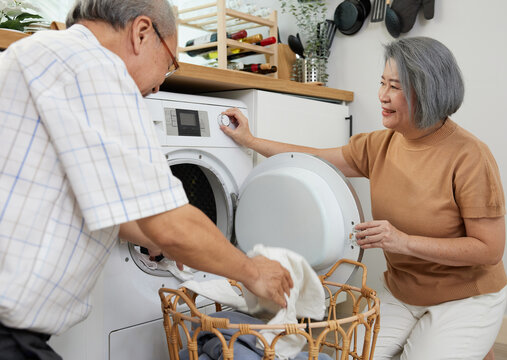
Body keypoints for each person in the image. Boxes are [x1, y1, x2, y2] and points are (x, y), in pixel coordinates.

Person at [0, 0, 293, 358]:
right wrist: (252, 271)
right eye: (170, 64)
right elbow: (170, 223)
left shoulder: (43, 56)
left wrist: (157, 237)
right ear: (141, 33)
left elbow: (83, 202)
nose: (157, 87)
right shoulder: (96, 66)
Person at [220, 37, 507, 360]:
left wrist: (404, 242)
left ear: (427, 91)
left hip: (466, 297)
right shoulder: (379, 146)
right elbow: (312, 158)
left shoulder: (470, 156)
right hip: (404, 293)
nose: (382, 95)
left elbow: (490, 250)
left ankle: (474, 338)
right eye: (382, 83)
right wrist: (250, 139)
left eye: (395, 86)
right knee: (350, 357)